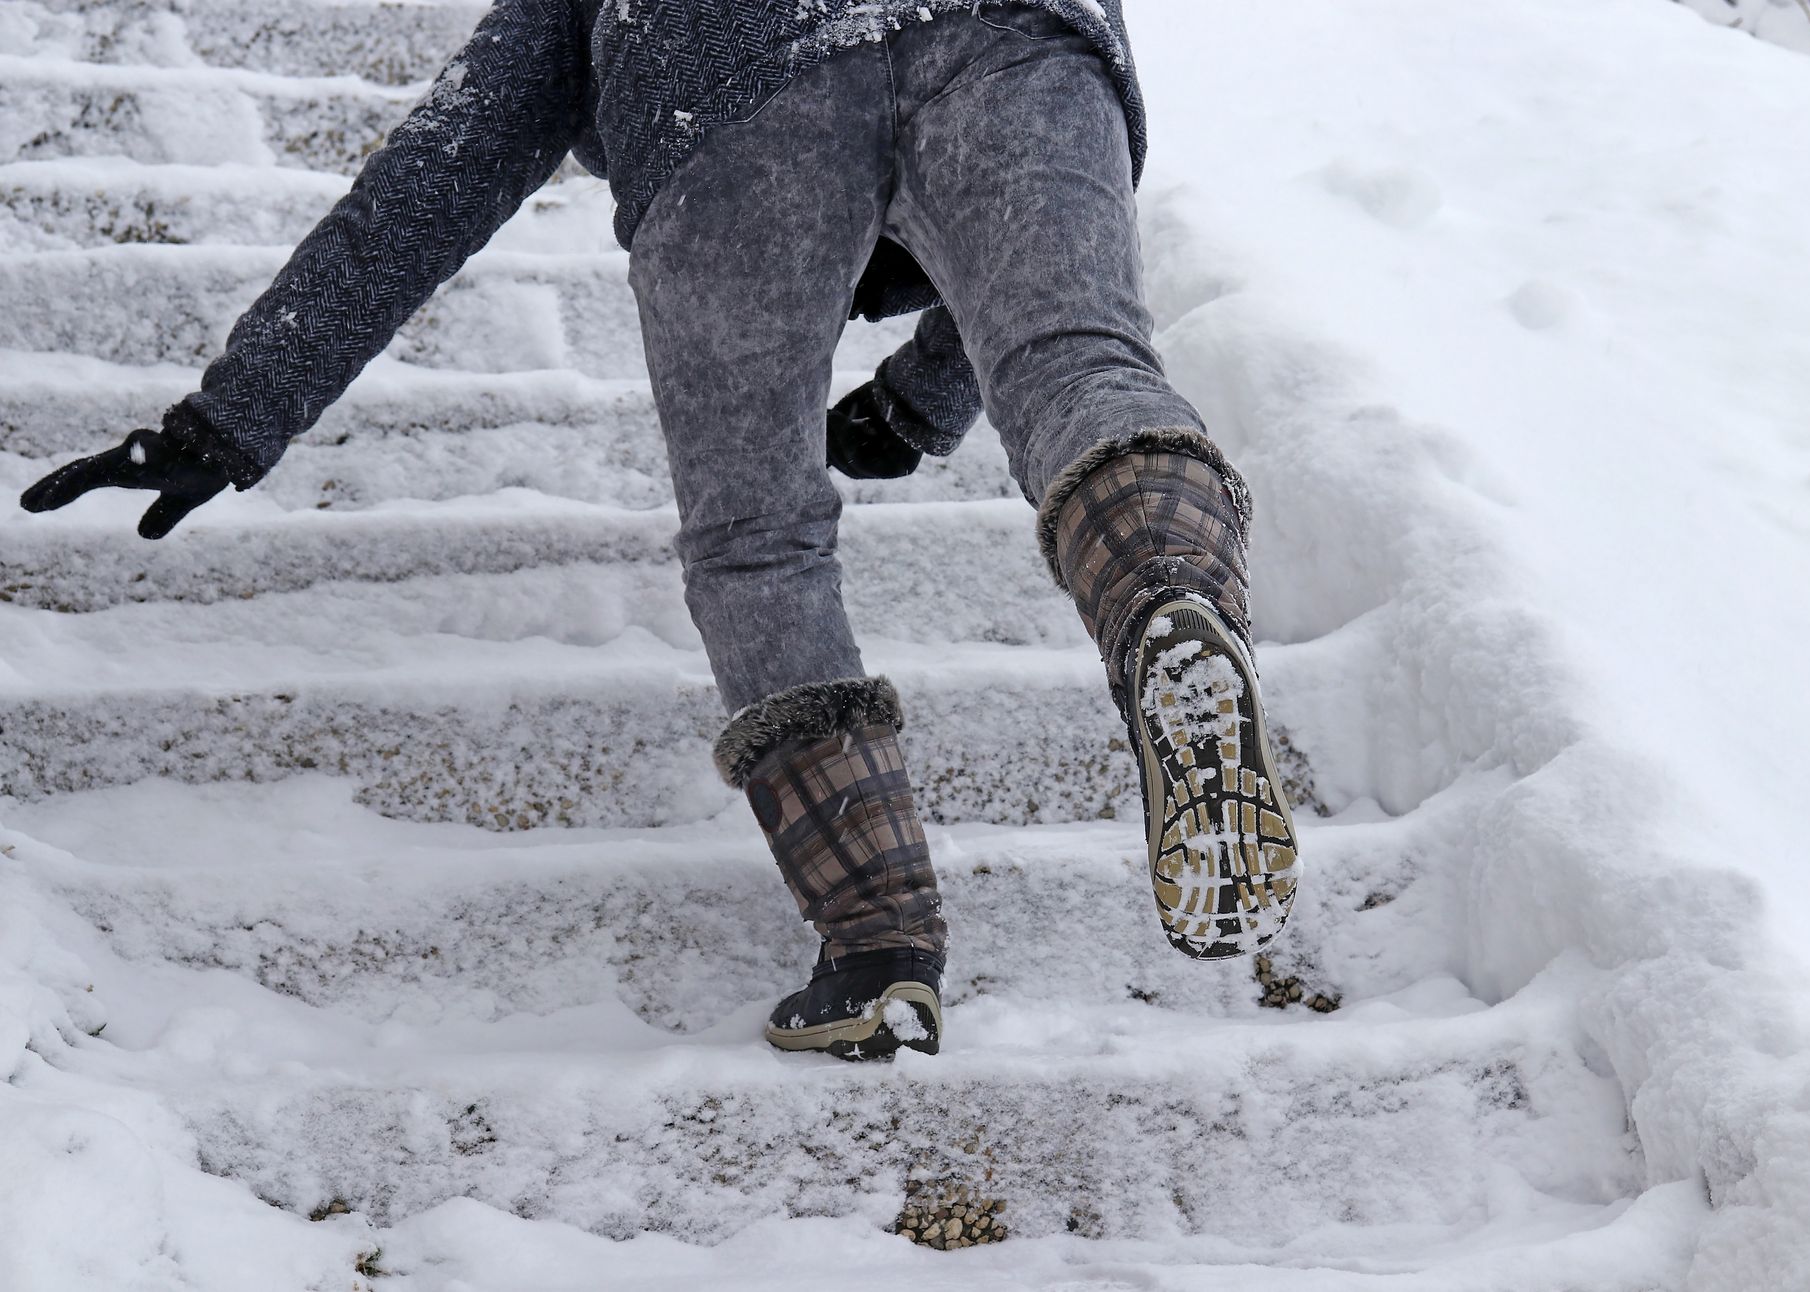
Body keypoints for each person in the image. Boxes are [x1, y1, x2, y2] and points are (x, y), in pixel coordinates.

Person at [18, 0, 1299, 1062]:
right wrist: (922, 401)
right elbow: (1032, 248)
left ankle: (879, 945)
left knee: (760, 536)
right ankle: (1163, 598)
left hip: (723, 66)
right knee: (1081, 366)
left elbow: (440, 168)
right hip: (1023, 31)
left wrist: (232, 417)